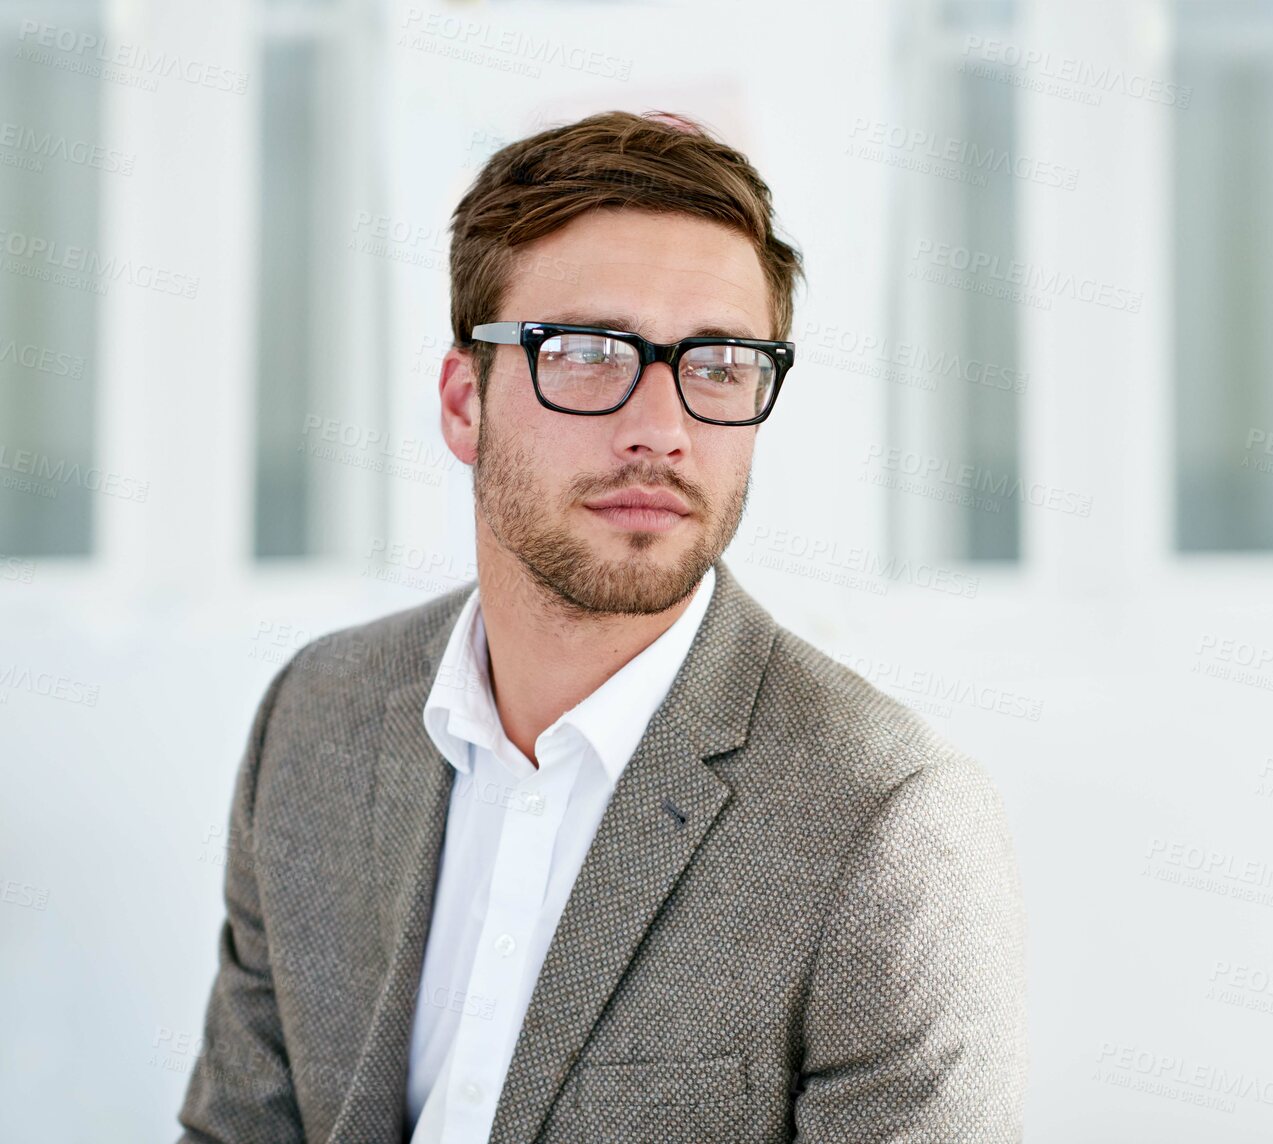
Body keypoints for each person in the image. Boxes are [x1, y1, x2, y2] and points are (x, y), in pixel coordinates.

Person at [176, 109, 1027, 1143]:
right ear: (463, 402)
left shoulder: (885, 825)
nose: (659, 431)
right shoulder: (316, 718)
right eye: (584, 352)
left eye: (716, 364)